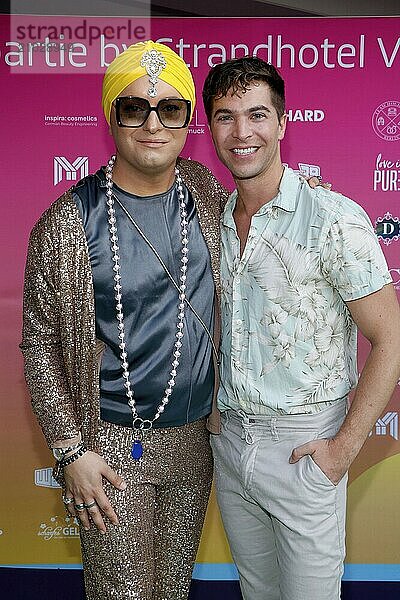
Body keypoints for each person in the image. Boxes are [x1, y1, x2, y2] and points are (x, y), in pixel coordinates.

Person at [20, 40, 227, 600]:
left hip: (195, 443)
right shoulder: (68, 222)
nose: (153, 123)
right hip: (110, 444)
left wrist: (310, 198)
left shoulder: (207, 196)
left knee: (172, 588)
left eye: (170, 109)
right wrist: (70, 451)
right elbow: (39, 348)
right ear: (112, 117)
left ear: (189, 122)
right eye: (135, 107)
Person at [202, 56, 400, 600]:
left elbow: (391, 338)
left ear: (284, 123)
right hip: (232, 444)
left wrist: (341, 451)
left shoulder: (332, 217)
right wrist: (219, 408)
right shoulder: (216, 220)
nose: (242, 132)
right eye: (225, 116)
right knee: (257, 593)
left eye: (257, 114)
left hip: (302, 450)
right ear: (210, 128)